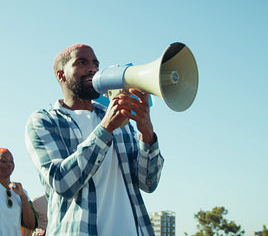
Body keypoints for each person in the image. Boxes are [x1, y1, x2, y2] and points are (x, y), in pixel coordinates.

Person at [25, 43, 165, 236]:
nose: (92, 69)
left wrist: (147, 135)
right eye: (81, 63)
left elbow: (148, 183)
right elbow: (62, 182)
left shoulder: (117, 117)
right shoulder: (44, 121)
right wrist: (105, 128)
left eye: (95, 64)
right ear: (61, 75)